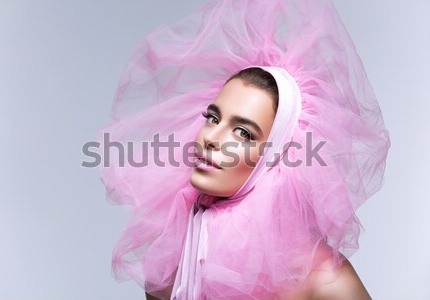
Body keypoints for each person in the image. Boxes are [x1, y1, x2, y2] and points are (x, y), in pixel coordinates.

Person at [96, 0, 390, 299]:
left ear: (277, 157)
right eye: (213, 117)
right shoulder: (171, 252)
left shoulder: (320, 277)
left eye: (243, 132)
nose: (211, 138)